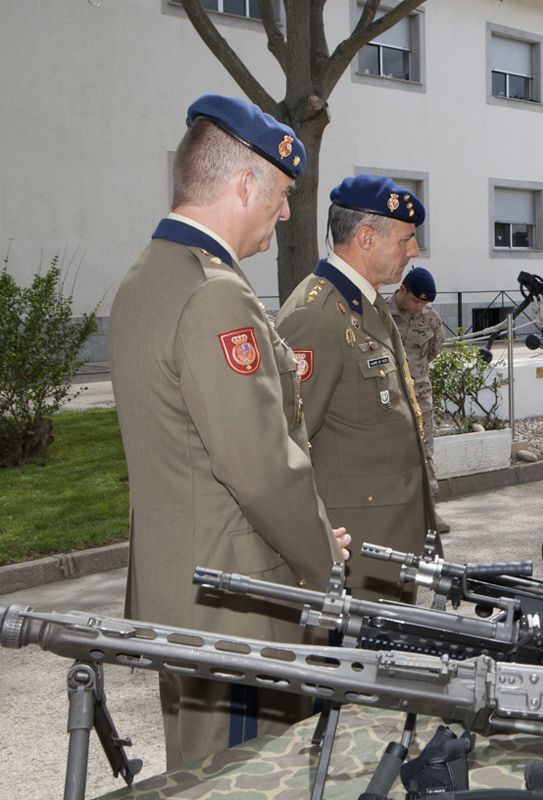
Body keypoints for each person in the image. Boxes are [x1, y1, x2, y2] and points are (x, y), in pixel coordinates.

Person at [108, 94, 351, 768]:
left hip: (186, 588)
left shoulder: (147, 275)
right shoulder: (214, 293)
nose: (285, 212)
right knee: (248, 773)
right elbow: (262, 469)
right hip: (237, 602)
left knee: (201, 771)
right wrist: (325, 561)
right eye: (280, 193)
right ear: (244, 185)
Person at [276, 175, 434, 601]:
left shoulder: (366, 303)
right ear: (366, 238)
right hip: (354, 552)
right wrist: (310, 537)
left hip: (384, 540)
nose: (414, 252)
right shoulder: (317, 316)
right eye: (406, 240)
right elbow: (287, 442)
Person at [388, 266, 450, 532]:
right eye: (415, 300)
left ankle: (430, 511)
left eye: (423, 303)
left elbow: (435, 349)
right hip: (388, 395)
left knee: (424, 452)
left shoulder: (430, 318)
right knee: (389, 453)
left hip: (420, 394)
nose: (419, 307)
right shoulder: (380, 314)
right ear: (402, 289)